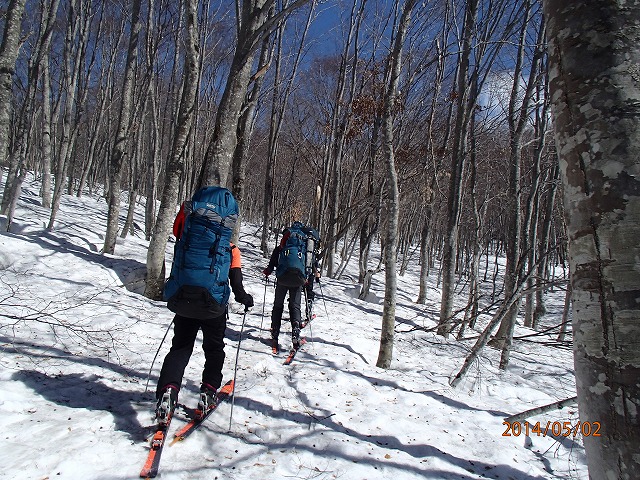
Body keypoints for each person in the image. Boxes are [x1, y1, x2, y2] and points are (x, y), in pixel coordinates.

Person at [155, 197, 254, 423]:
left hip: (183, 300)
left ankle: (168, 392)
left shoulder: (187, 238)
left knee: (180, 347)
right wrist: (245, 299)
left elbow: (176, 229)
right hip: (213, 307)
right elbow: (237, 287)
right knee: (214, 349)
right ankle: (208, 392)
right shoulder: (230, 249)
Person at [263, 222, 319, 353]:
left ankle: (275, 331)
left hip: (282, 277)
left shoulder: (284, 243)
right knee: (295, 306)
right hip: (298, 278)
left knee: (278, 305)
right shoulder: (304, 244)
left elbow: (274, 259)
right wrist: (310, 274)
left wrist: (268, 270)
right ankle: (295, 332)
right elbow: (310, 260)